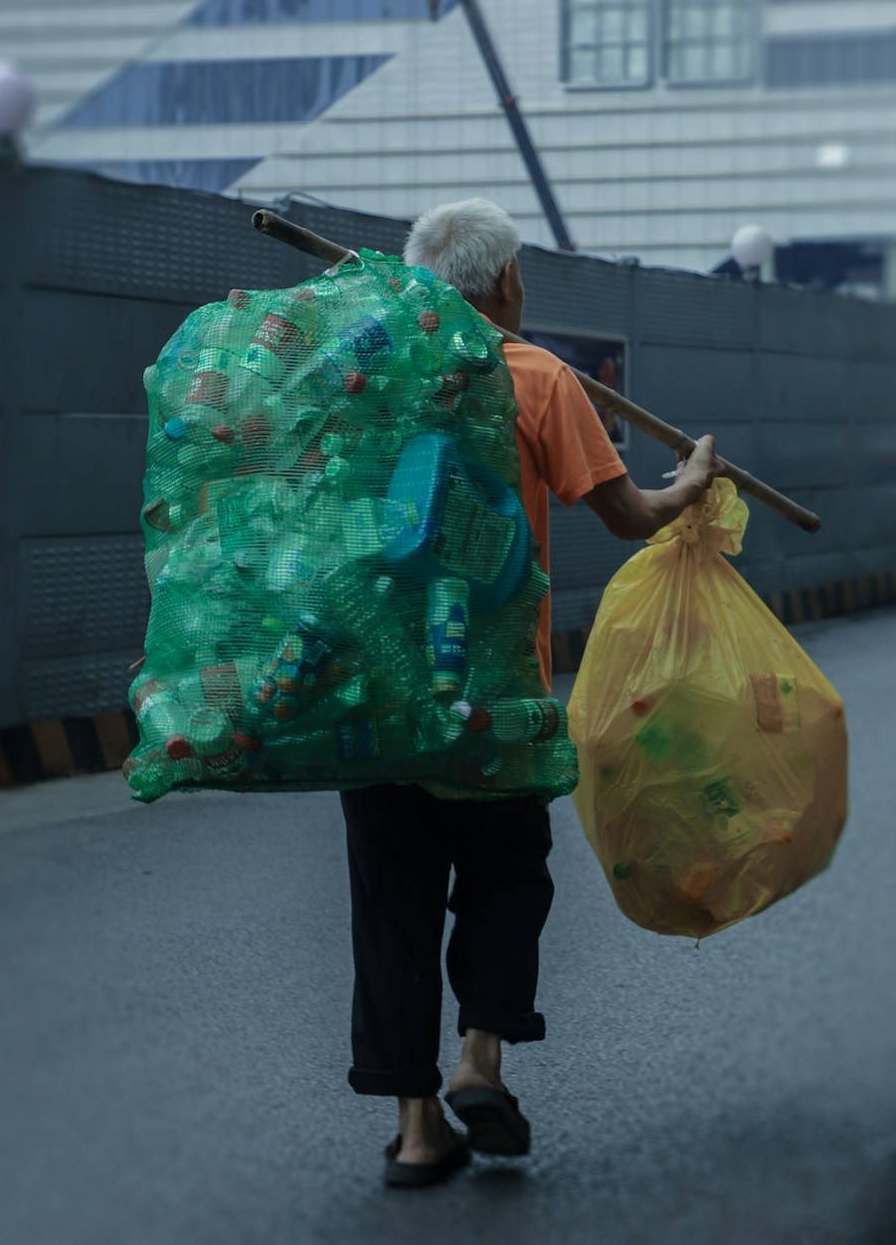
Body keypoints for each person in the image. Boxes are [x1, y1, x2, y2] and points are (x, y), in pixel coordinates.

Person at [342, 198, 721, 1187]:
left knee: (394, 903)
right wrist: (689, 484)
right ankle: (479, 1058)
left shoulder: (365, 380)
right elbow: (629, 514)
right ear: (506, 283)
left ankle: (419, 1130)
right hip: (496, 692)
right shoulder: (538, 377)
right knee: (509, 874)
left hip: (377, 691)